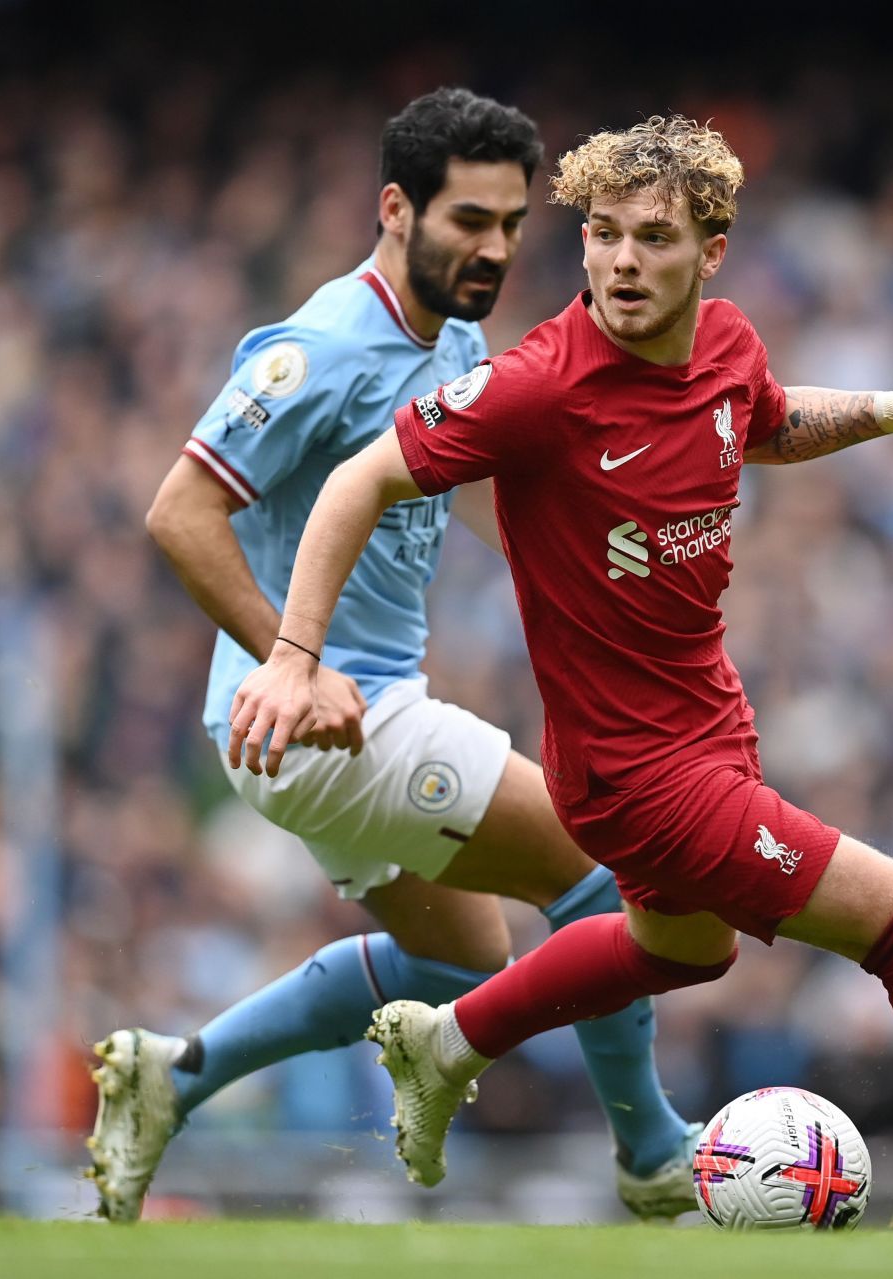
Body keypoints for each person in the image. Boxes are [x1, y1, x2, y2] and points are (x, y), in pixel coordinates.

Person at [227, 115, 893, 1234]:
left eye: (653, 237)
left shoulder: (728, 345)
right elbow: (358, 480)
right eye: (602, 236)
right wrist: (295, 656)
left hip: (710, 726)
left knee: (682, 947)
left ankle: (448, 1040)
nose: (623, 262)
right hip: (631, 773)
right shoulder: (539, 386)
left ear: (713, 252)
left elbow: (769, 423)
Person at [86, 89, 696, 1224]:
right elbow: (179, 512)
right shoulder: (323, 347)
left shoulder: (454, 340)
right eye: (470, 219)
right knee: (608, 868)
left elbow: (467, 496)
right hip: (315, 715)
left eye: (513, 223)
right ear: (394, 209)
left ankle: (172, 1080)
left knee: (468, 967)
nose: (496, 248)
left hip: (348, 716)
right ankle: (652, 1149)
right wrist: (293, 658)